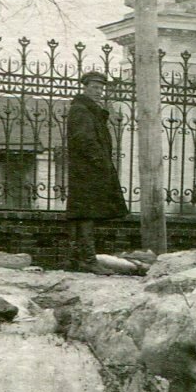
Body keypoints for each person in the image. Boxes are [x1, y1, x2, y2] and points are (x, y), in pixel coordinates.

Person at [65, 70, 128, 271]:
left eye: (101, 88)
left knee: (84, 214)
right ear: (84, 88)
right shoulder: (81, 110)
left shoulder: (90, 110)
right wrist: (101, 163)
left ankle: (77, 259)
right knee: (86, 214)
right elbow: (84, 140)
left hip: (88, 169)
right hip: (87, 170)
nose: (98, 91)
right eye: (94, 87)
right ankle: (88, 260)